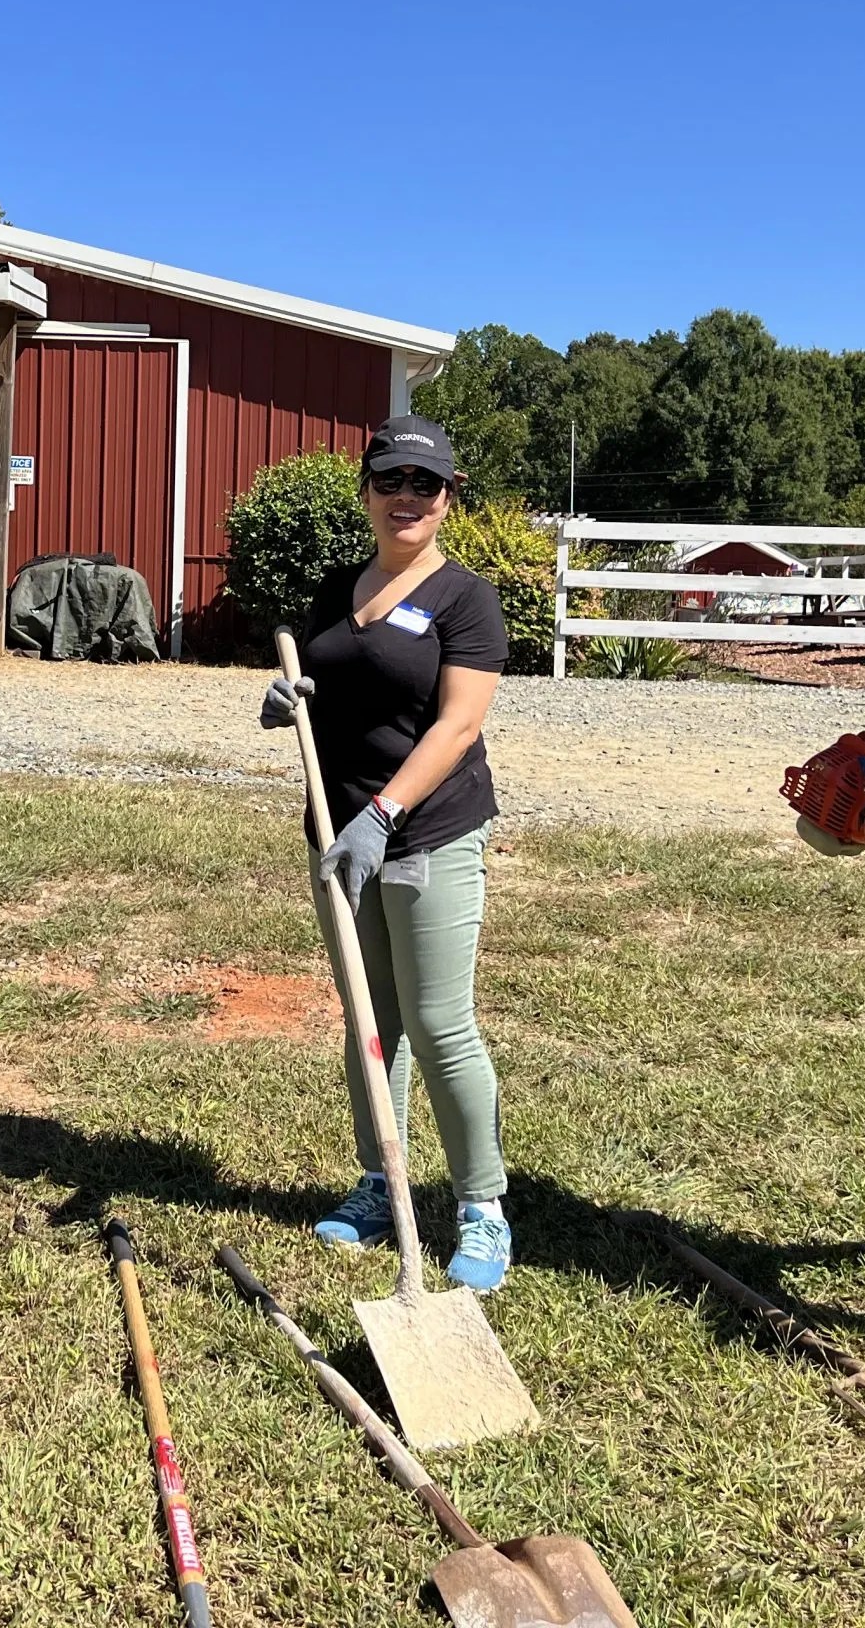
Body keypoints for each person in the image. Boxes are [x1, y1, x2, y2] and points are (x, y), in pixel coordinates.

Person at [258, 416, 516, 1291]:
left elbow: (459, 723)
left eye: (426, 483)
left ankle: (482, 1208)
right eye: (391, 479)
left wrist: (385, 812)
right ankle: (381, 1181)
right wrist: (288, 701)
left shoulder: (466, 599)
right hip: (336, 838)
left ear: (448, 499)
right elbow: (329, 680)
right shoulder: (338, 586)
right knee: (370, 1019)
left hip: (427, 830)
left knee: (440, 1023)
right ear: (367, 490)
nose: (407, 496)